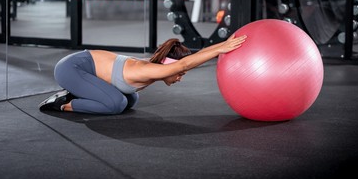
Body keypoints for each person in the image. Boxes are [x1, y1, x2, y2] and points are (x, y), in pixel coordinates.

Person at [39, 34, 247, 115]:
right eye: (178, 73)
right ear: (170, 65)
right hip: (71, 69)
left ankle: (80, 93)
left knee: (130, 99)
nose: (179, 77)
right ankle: (64, 103)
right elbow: (186, 63)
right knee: (115, 104)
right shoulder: (148, 69)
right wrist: (221, 49)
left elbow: (188, 61)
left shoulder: (154, 66)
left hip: (83, 67)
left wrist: (227, 44)